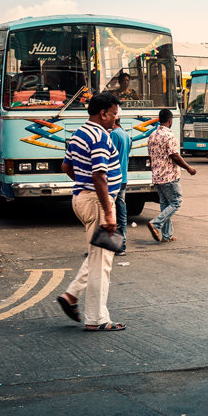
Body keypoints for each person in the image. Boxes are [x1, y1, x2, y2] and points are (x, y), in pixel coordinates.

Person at [56, 91, 125, 331]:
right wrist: (108, 212)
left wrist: (82, 185)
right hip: (98, 202)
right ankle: (96, 319)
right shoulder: (100, 136)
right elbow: (99, 176)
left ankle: (71, 296)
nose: (115, 120)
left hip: (83, 199)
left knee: (99, 256)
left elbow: (66, 165)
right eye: (114, 114)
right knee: (101, 263)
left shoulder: (78, 133)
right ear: (103, 113)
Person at [145, 108, 196, 243]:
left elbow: (150, 157)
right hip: (169, 177)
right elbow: (174, 155)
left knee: (165, 204)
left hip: (157, 176)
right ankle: (155, 223)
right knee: (176, 202)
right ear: (170, 120)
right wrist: (188, 168)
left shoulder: (152, 136)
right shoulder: (169, 136)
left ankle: (167, 235)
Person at [109, 109, 132, 256]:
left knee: (108, 211)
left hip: (113, 179)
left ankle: (105, 247)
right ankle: (121, 245)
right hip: (123, 178)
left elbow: (109, 157)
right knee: (121, 212)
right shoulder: (126, 135)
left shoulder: (113, 135)